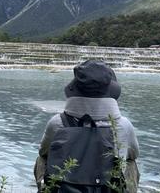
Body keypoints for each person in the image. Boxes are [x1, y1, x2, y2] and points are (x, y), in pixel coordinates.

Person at [34, 60, 139, 193]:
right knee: (130, 162)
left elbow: (43, 151)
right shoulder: (123, 125)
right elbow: (133, 154)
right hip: (107, 187)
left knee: (42, 158)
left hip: (64, 186)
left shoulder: (57, 122)